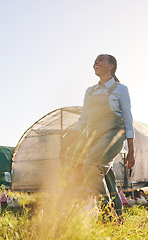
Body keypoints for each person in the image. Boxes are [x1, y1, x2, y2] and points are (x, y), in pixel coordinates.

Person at [60, 54, 135, 216]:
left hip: (112, 137)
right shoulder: (90, 91)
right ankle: (119, 217)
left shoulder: (120, 89)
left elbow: (128, 121)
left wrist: (131, 151)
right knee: (109, 181)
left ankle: (106, 212)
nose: (96, 62)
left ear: (111, 66)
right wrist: (67, 142)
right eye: (95, 60)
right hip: (93, 140)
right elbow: (83, 120)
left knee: (89, 167)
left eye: (101, 59)